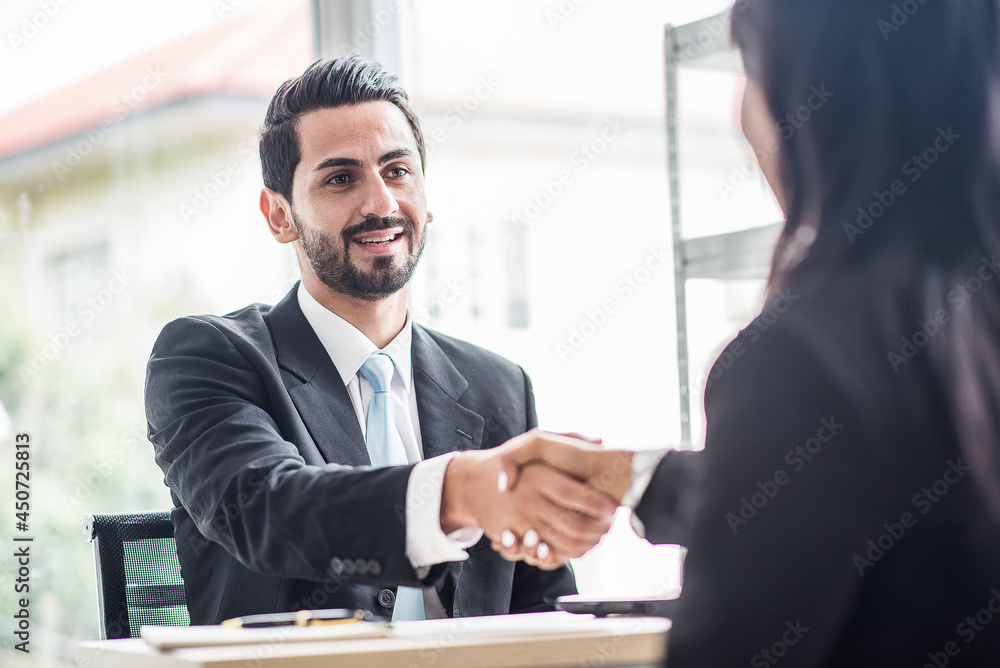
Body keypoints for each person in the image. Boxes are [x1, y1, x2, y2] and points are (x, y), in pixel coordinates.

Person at [499, 0, 1000, 665]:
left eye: (751, 68)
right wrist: (631, 474)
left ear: (815, 94)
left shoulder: (801, 358)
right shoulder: (963, 319)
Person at [143, 56, 617, 625]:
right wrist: (459, 491)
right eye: (341, 178)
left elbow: (541, 611)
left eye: (397, 171)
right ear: (279, 215)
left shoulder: (500, 385)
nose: (382, 204)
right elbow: (269, 509)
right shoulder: (207, 358)